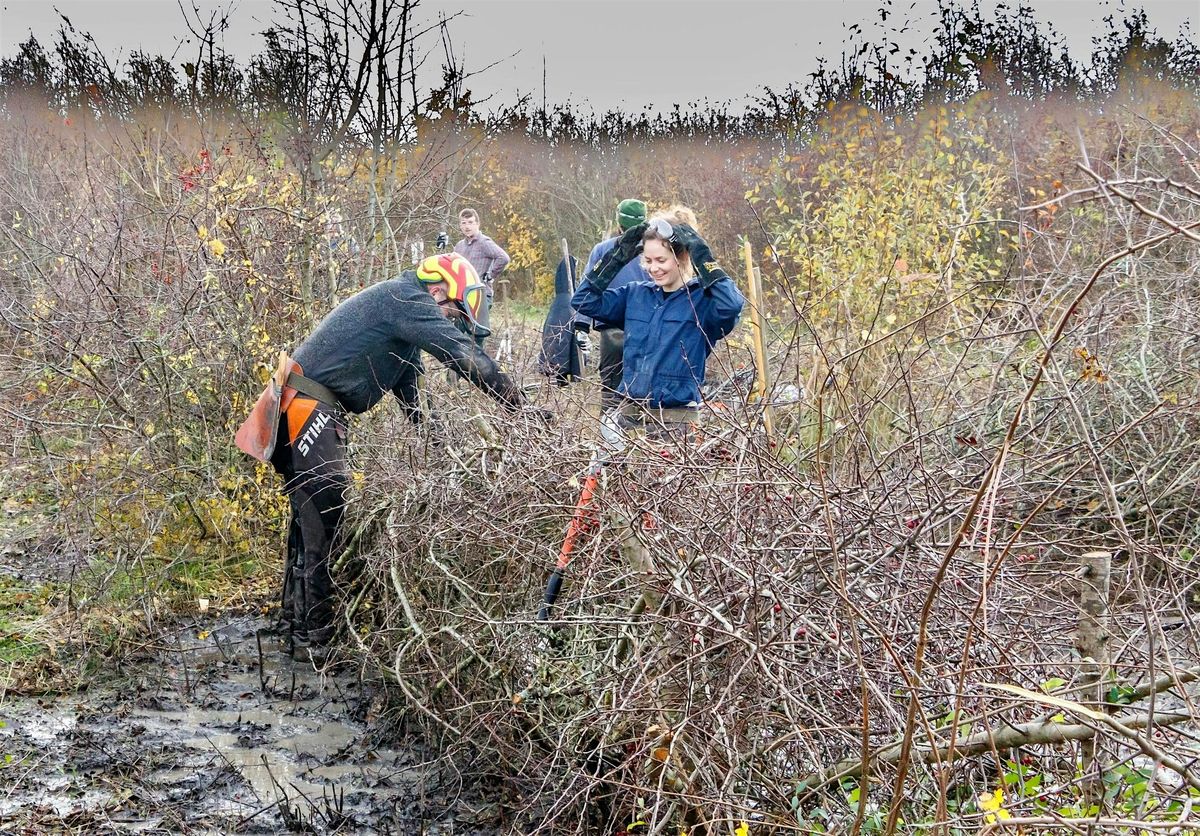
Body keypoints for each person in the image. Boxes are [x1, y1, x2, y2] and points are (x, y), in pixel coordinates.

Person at [236, 253, 526, 662]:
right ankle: (313, 637)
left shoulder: (399, 320)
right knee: (325, 511)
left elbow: (412, 398)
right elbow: (463, 356)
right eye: (452, 313)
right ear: (439, 290)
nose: (449, 322)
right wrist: (521, 407)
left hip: (302, 405)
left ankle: (294, 620)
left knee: (309, 519)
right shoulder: (406, 299)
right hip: (307, 407)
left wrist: (442, 450)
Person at [571, 211, 744, 439]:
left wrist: (702, 257)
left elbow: (732, 306)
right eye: (648, 261)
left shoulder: (702, 302)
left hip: (675, 426)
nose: (654, 269)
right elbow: (583, 300)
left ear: (681, 258)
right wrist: (616, 259)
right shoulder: (635, 294)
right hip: (628, 418)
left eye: (661, 260)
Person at [575, 198, 650, 413]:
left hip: (611, 330)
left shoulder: (603, 250)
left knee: (610, 386)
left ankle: (609, 434)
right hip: (645, 326)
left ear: (619, 223)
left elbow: (587, 287)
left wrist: (581, 326)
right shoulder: (655, 250)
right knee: (643, 381)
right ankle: (639, 429)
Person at [453, 208, 511, 350]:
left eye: (470, 222)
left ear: (477, 224)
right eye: (464, 223)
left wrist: (490, 274)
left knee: (476, 339)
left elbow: (503, 258)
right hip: (462, 297)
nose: (467, 226)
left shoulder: (484, 242)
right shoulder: (459, 246)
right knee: (457, 337)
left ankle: (477, 371)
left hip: (480, 296)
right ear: (460, 225)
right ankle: (458, 371)